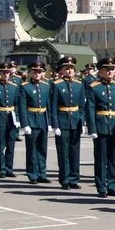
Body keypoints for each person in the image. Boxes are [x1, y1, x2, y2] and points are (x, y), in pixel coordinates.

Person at [86, 56, 115, 198]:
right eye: (107, 70)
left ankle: (112, 186)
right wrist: (92, 129)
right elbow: (89, 109)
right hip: (100, 125)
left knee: (113, 158)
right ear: (101, 72)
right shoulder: (94, 87)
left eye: (112, 69)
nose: (110, 72)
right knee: (101, 158)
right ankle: (101, 187)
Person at [49, 56, 87, 189]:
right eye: (67, 68)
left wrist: (81, 121)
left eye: (72, 68)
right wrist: (55, 124)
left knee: (75, 151)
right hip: (62, 120)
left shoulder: (79, 84)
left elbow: (82, 106)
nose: (70, 70)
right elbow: (53, 106)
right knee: (63, 152)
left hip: (75, 121)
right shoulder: (56, 85)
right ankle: (64, 179)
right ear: (61, 70)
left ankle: (74, 178)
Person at [18, 61, 52, 184]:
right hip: (31, 119)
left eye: (40, 71)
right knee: (32, 149)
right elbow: (22, 106)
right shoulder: (25, 86)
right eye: (35, 71)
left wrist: (50, 122)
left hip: (43, 119)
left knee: (42, 148)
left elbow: (48, 105)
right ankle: (32, 174)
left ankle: (42, 174)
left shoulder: (46, 85)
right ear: (30, 72)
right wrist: (25, 124)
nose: (37, 74)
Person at [0, 63, 21, 178]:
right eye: (4, 73)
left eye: (8, 73)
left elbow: (17, 104)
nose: (6, 75)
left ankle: (9, 168)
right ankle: (1, 169)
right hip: (0, 116)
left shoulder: (14, 87)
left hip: (11, 118)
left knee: (11, 145)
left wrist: (17, 118)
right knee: (1, 146)